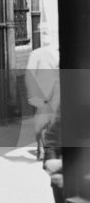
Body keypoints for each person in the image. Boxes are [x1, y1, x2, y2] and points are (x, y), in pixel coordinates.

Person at [25, 26, 60, 156]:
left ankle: (47, 149)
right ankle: (42, 149)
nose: (46, 35)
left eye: (48, 32)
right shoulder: (35, 54)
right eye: (44, 33)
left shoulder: (57, 53)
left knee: (52, 122)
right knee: (41, 124)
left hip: (55, 94)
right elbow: (30, 75)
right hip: (41, 95)